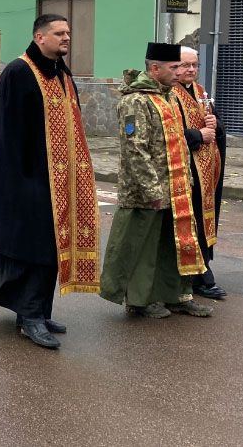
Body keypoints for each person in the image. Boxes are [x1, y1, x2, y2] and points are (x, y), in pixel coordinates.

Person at [0, 15, 101, 350]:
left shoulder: (61, 72)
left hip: (58, 181)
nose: (66, 38)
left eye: (68, 33)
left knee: (51, 249)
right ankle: (29, 317)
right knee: (30, 249)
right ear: (39, 36)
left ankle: (40, 311)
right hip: (27, 180)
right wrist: (19, 184)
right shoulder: (19, 72)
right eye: (59, 33)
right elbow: (6, 134)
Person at [100, 43, 213, 319]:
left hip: (175, 187)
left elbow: (178, 141)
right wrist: (152, 189)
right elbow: (135, 149)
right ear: (154, 69)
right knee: (143, 248)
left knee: (172, 245)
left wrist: (186, 179)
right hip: (146, 192)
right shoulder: (135, 100)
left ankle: (175, 295)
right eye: (173, 68)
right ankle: (140, 301)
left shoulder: (169, 97)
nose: (179, 73)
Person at [172, 46, 226, 301]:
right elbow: (168, 134)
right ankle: (196, 277)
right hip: (185, 171)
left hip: (207, 172)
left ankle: (202, 270)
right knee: (188, 223)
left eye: (194, 65)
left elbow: (214, 126)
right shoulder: (170, 94)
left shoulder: (201, 91)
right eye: (185, 65)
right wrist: (198, 135)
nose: (191, 70)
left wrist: (216, 124)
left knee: (204, 222)